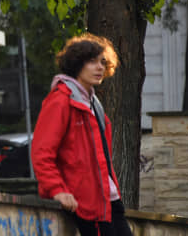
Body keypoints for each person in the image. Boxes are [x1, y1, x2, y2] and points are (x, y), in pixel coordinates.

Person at [31, 33, 133, 236]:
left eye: (103, 62)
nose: (100, 68)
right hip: (85, 204)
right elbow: (42, 152)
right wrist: (57, 189)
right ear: (76, 64)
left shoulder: (94, 104)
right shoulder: (61, 100)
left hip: (109, 199)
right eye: (92, 62)